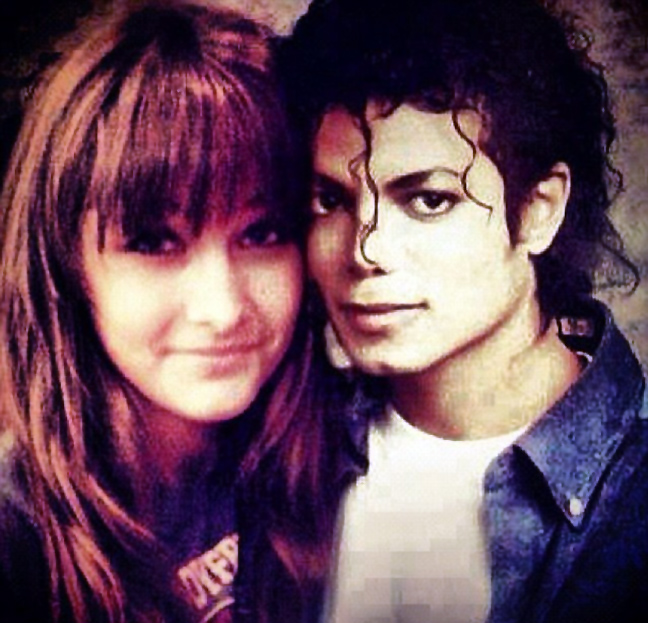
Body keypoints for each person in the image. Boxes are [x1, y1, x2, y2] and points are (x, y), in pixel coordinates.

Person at [279, 0, 648, 621]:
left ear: (539, 210)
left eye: (428, 200)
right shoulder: (280, 449)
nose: (366, 250)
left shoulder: (635, 503)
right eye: (331, 200)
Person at [0, 3, 340, 622]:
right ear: (67, 265)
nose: (222, 309)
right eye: (155, 242)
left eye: (262, 233)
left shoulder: (329, 450)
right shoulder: (17, 537)